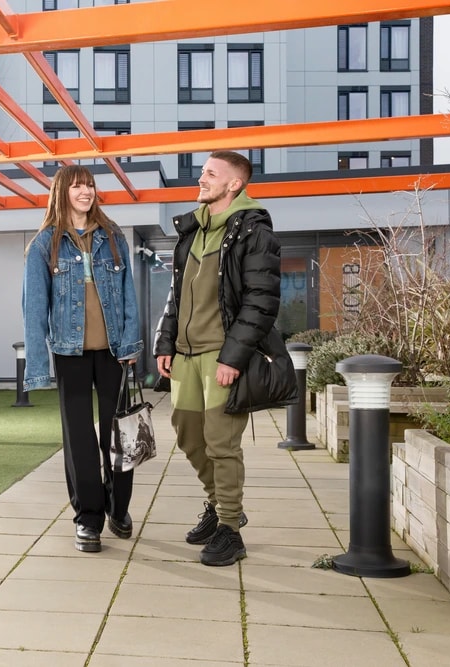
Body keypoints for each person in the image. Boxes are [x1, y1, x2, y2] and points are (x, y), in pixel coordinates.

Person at [153, 151, 282, 566]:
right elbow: (177, 295)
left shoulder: (253, 232)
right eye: (203, 172)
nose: (201, 178)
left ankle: (230, 529)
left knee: (221, 443)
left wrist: (234, 356)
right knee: (189, 436)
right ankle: (220, 505)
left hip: (221, 357)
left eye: (211, 173)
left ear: (234, 184)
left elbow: (261, 301)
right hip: (186, 356)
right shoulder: (193, 230)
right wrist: (165, 342)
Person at [22, 165, 143, 554]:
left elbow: (128, 296)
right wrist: (39, 366)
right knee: (79, 441)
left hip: (113, 355)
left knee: (120, 435)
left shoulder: (113, 237)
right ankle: (88, 519)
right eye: (77, 186)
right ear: (61, 192)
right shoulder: (44, 244)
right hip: (68, 353)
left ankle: (118, 508)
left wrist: (130, 347)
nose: (86, 191)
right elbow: (34, 308)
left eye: (89, 185)